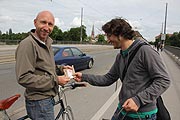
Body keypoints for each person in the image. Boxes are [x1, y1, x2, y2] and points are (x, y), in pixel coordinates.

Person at [74, 18, 170, 120]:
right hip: (123, 110)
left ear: (120, 35)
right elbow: (108, 79)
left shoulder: (145, 51)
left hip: (142, 116)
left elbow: (163, 80)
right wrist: (84, 77)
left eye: (109, 35)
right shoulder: (120, 56)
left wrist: (138, 100)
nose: (108, 40)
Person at [15, 11, 71, 120]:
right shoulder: (28, 44)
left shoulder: (46, 43)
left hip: (46, 100)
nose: (46, 27)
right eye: (43, 22)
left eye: (50, 24)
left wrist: (61, 69)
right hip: (39, 103)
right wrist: (56, 80)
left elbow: (47, 68)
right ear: (35, 23)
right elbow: (24, 78)